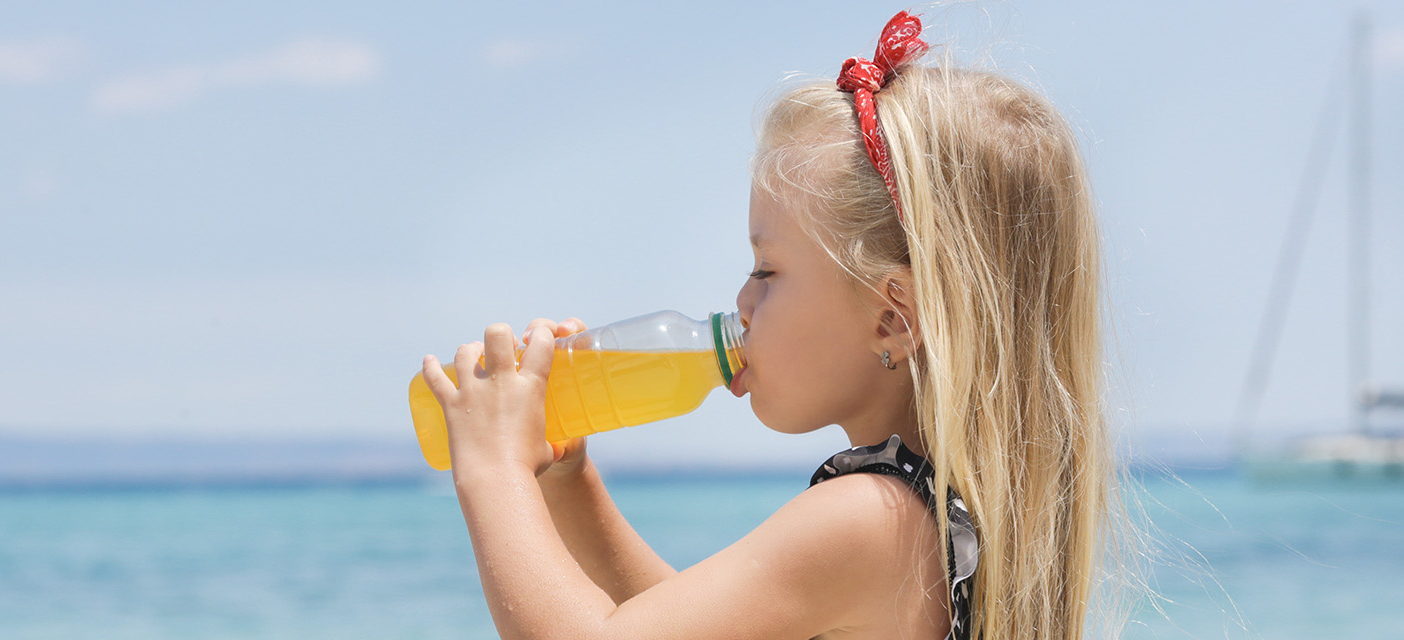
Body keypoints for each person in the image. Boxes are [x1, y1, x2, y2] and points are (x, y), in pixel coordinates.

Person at [419, 9, 1116, 639]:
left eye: (767, 271)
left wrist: (491, 470)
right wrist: (568, 488)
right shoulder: (934, 520)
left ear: (893, 319)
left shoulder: (869, 519)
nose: (742, 303)